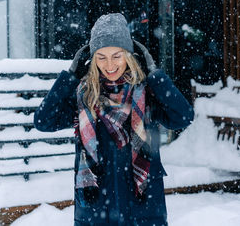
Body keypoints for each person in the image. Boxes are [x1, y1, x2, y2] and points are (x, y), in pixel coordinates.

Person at [34, 13, 194, 225]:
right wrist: (70, 76)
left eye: (116, 56)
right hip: (97, 209)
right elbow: (43, 121)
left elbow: (183, 117)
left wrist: (155, 74)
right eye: (101, 57)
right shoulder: (84, 97)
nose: (109, 65)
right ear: (92, 60)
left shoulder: (147, 94)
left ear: (128, 55)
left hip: (142, 210)